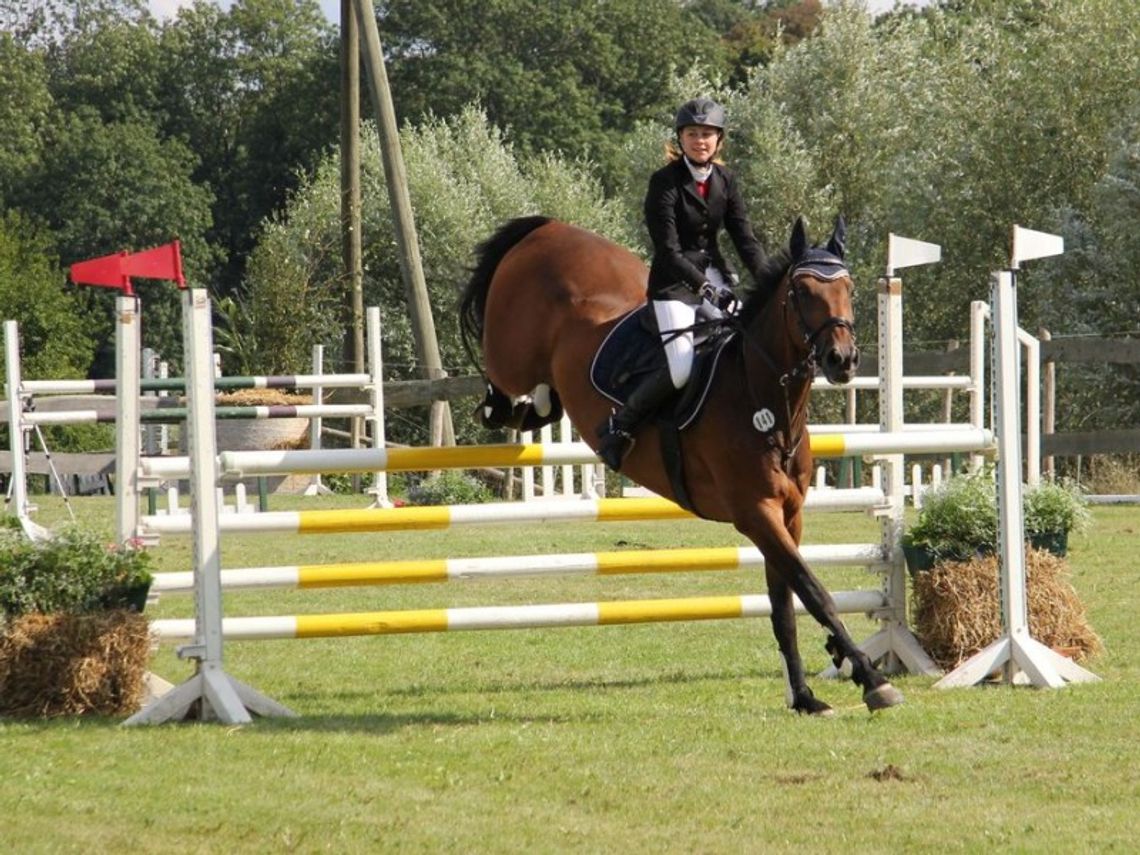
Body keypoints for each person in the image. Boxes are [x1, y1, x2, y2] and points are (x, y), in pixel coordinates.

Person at [596, 96, 770, 470]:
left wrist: (770, 280)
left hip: (712, 274)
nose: (700, 140)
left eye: (707, 134)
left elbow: (745, 238)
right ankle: (619, 425)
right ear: (681, 138)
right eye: (693, 133)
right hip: (673, 284)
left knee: (744, 343)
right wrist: (708, 290)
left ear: (718, 140)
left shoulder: (726, 180)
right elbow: (669, 251)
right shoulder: (664, 182)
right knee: (681, 368)